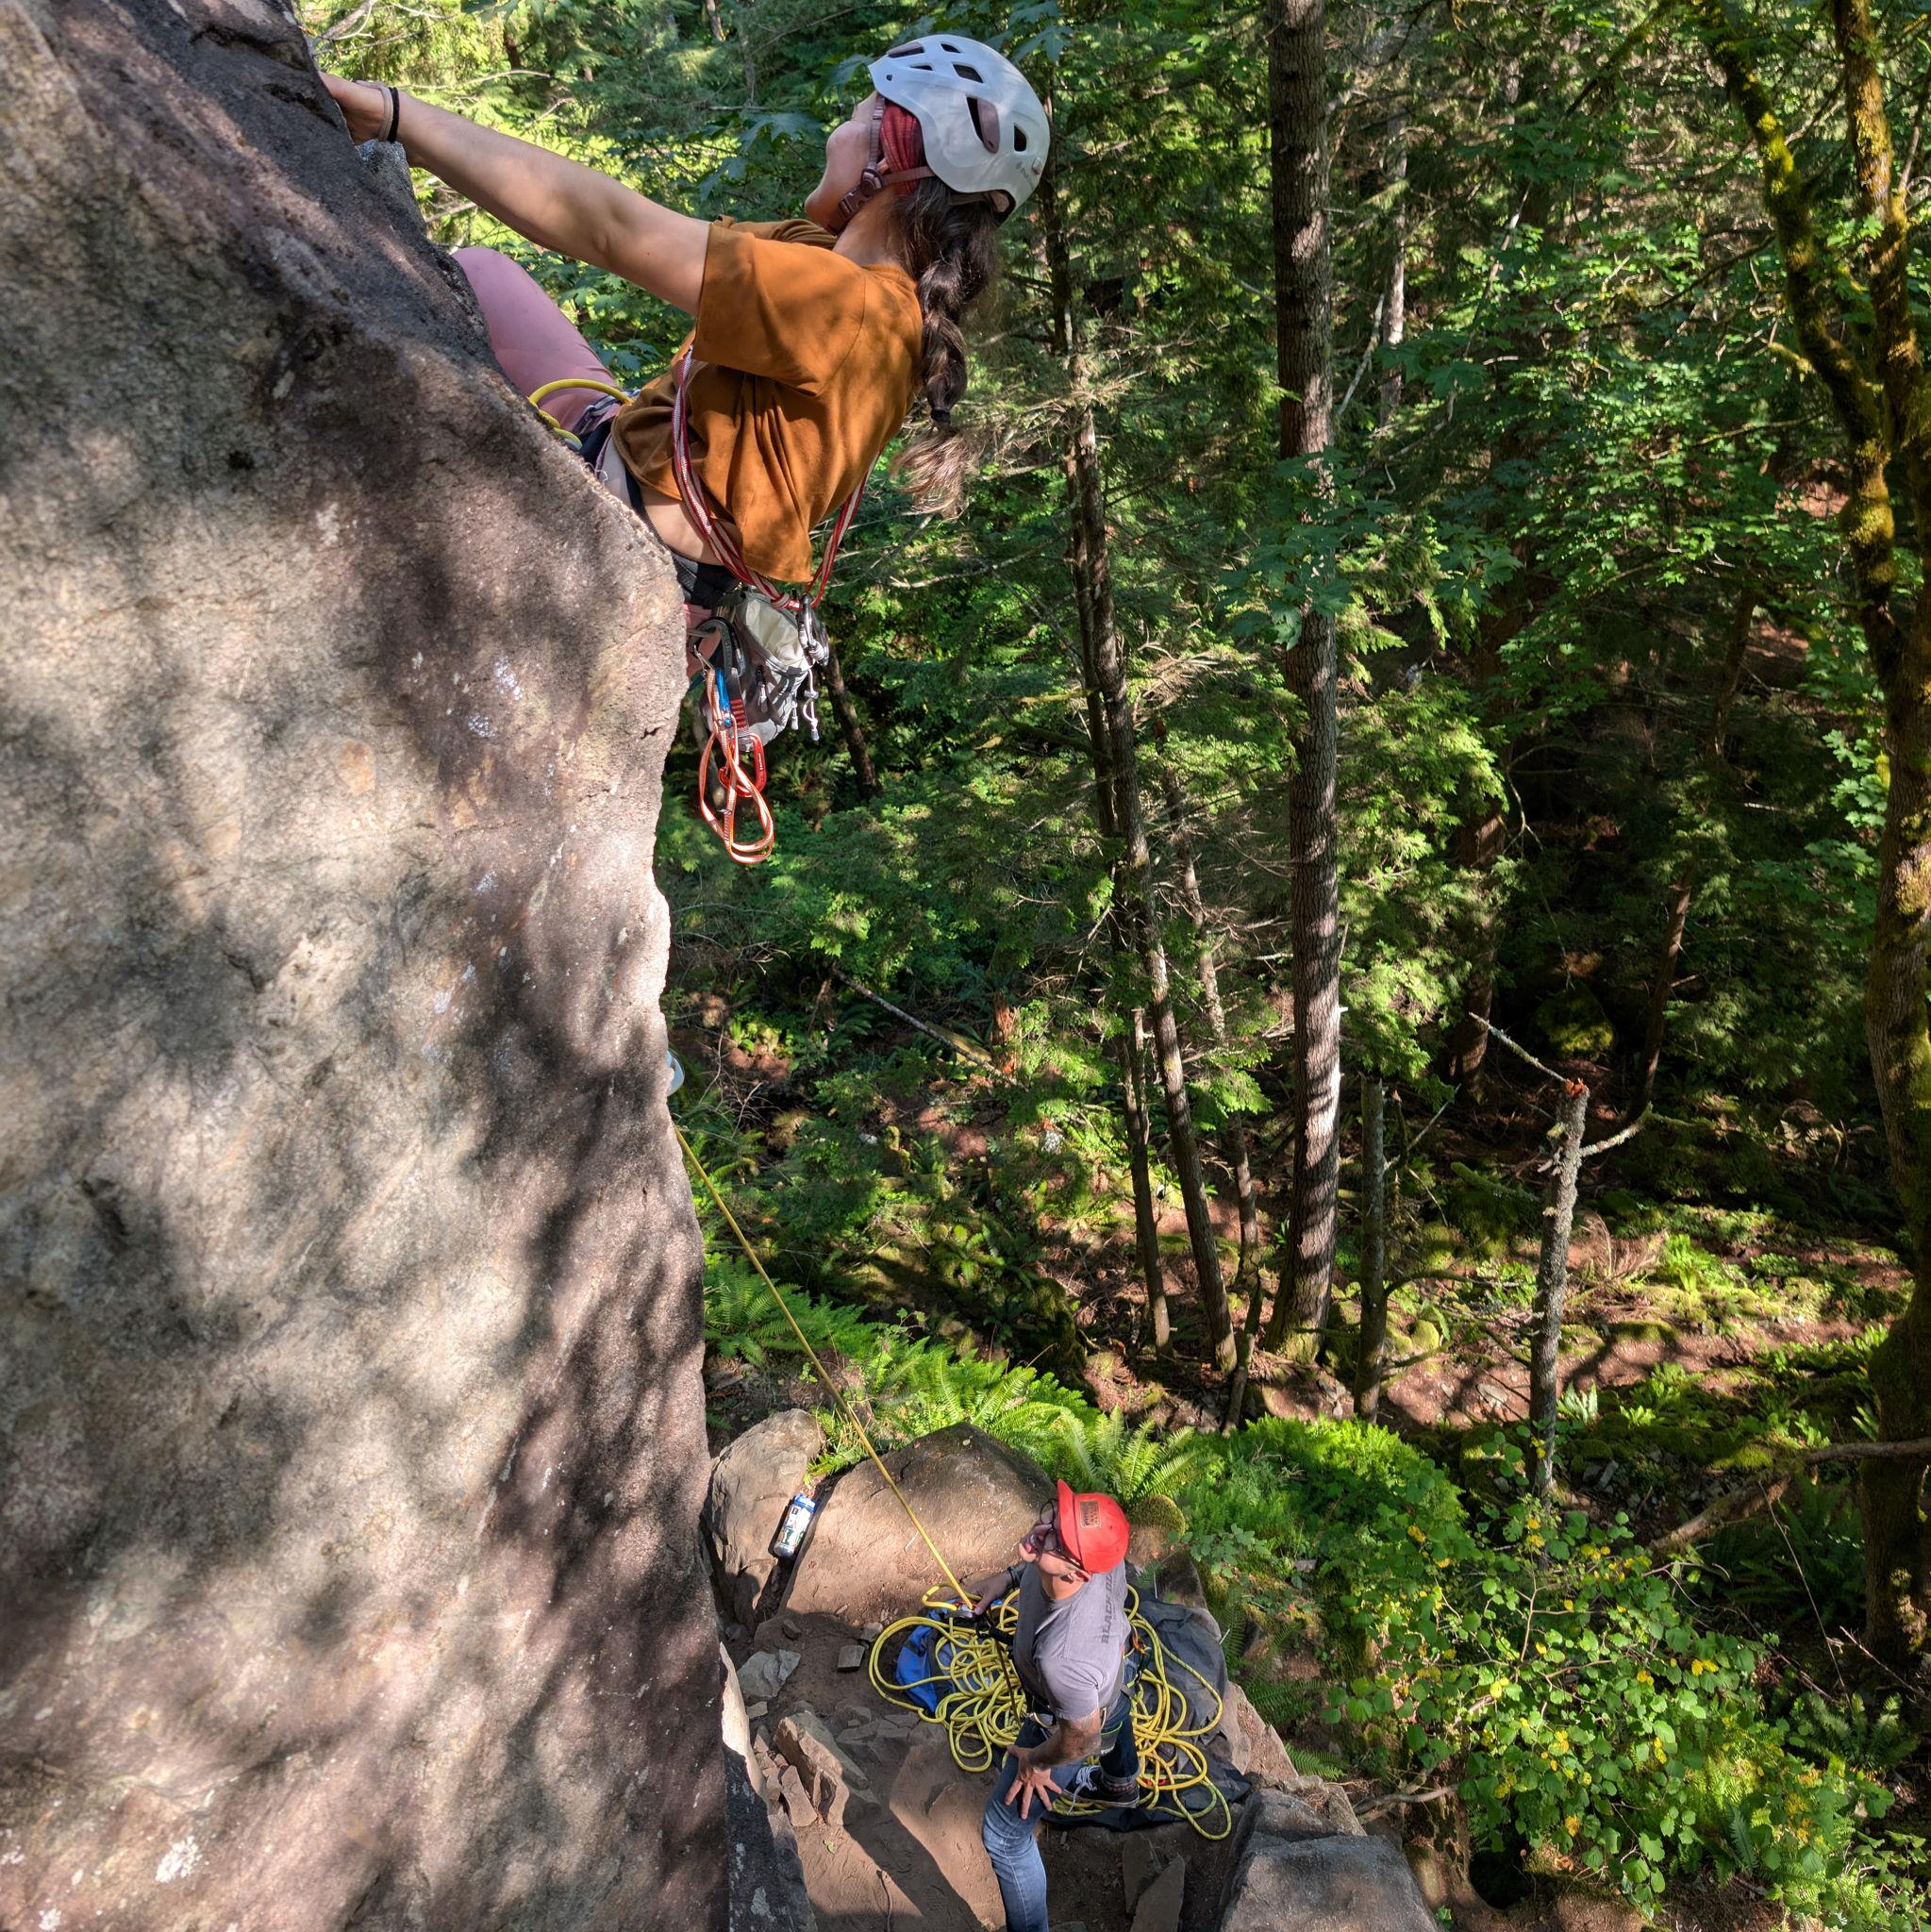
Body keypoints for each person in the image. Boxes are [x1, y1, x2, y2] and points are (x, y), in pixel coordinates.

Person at [316, 38, 1048, 675]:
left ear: (890, 153)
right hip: (628, 465)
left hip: (638, 553)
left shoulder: (846, 306)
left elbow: (607, 228)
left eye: (854, 117)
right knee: (486, 271)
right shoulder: (828, 265)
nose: (835, 131)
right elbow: (648, 231)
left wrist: (395, 116)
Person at [956, 1481, 1139, 1932]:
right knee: (1114, 1707)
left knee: (1003, 1836)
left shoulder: (1062, 1658)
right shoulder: (1103, 1552)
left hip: (1075, 1715)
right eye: (1055, 1516)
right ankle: (1119, 1785)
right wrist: (1010, 1577)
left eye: (1057, 1537)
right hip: (1117, 1667)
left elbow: (1081, 1736)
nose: (1044, 1528)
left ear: (1076, 1573)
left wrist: (1036, 1762)